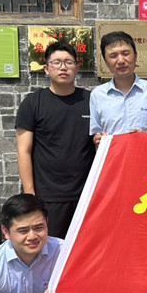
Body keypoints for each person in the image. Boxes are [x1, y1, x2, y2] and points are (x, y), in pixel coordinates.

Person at [16, 41, 94, 238]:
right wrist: (30, 193)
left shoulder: (92, 101)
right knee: (50, 249)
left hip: (86, 194)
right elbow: (23, 150)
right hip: (48, 195)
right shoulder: (33, 103)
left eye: (68, 62)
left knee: (85, 247)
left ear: (77, 67)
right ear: (46, 69)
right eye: (57, 62)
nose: (63, 67)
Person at [90, 31, 147, 146]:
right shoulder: (97, 95)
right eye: (113, 56)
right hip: (114, 157)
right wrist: (98, 139)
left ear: (135, 56)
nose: (121, 60)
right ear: (106, 62)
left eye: (126, 53)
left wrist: (146, 137)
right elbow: (96, 133)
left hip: (146, 155)